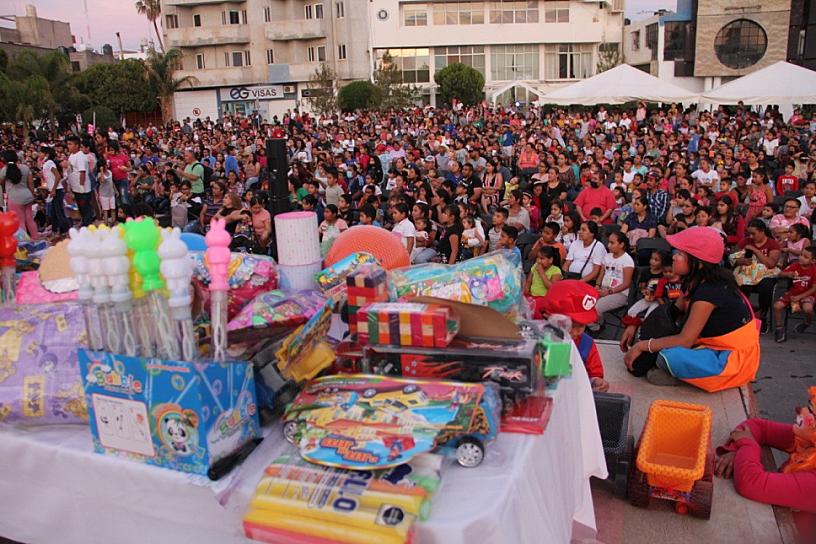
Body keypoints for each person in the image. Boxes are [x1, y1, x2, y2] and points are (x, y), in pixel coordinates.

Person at [621, 227, 760, 392]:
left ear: (698, 263)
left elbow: (685, 340)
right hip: (707, 345)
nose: (673, 256)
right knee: (645, 360)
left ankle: (684, 377)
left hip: (729, 358)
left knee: (669, 357)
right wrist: (635, 324)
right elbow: (669, 314)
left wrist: (643, 346)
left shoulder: (708, 292)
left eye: (680, 253)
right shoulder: (697, 280)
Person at [715, 387, 816, 543]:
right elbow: (758, 427)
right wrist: (737, 450)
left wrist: (747, 445)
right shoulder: (807, 440)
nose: (800, 410)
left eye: (810, 410)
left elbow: (750, 483)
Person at [537, 280, 609, 392]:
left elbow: (595, 373)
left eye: (581, 326)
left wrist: (596, 381)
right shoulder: (537, 338)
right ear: (549, 317)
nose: (575, 332)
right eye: (569, 325)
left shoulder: (586, 344)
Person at [734, 219, 782, 332]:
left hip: (765, 275)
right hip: (748, 275)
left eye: (753, 234)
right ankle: (745, 313)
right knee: (741, 286)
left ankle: (763, 315)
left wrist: (755, 250)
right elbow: (734, 257)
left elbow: (771, 264)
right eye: (749, 233)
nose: (751, 236)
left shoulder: (772, 243)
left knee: (766, 287)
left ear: (762, 231)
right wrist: (740, 261)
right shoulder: (745, 241)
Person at [773, 246, 816, 342]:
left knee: (808, 308)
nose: (801, 258)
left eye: (805, 257)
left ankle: (807, 322)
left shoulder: (814, 270)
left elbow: (814, 288)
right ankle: (779, 328)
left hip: (808, 294)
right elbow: (780, 274)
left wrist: (799, 297)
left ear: (813, 261)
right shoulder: (795, 266)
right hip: (793, 293)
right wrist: (788, 274)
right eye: (801, 255)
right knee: (777, 306)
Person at [593, 231, 635, 328]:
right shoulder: (607, 256)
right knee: (585, 302)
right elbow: (601, 274)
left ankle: (598, 325)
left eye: (612, 243)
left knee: (596, 307)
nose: (608, 245)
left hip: (619, 293)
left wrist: (609, 292)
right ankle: (590, 324)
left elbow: (626, 283)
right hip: (603, 288)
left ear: (621, 245)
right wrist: (597, 285)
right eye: (608, 242)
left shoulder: (627, 260)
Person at [0, 149, 38, 238]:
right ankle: (36, 238)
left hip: (14, 198)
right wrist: (32, 195)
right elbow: (31, 184)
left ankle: (25, 242)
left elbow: (1, 182)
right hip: (27, 196)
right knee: (30, 220)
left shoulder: (4, 170)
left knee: (20, 221)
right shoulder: (25, 167)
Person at [40, 146, 70, 237]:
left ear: (46, 154)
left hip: (57, 189)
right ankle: (56, 229)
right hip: (53, 189)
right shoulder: (45, 163)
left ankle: (65, 230)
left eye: (41, 152)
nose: (39, 154)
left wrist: (53, 189)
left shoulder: (49, 163)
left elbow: (57, 176)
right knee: (53, 212)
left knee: (59, 211)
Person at [526, 245, 562, 316]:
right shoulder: (535, 266)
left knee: (533, 308)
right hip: (532, 295)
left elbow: (552, 288)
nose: (539, 261)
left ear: (550, 260)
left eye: (542, 258)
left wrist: (542, 273)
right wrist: (526, 290)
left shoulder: (556, 271)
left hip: (544, 298)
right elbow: (529, 281)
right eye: (537, 258)